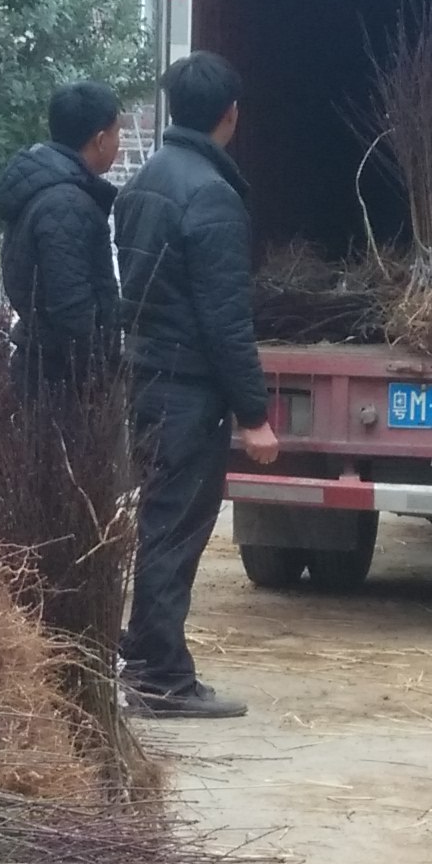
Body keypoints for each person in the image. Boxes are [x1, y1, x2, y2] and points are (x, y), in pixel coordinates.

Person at [110, 52, 284, 719]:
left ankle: (148, 654)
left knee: (159, 522)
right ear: (230, 116)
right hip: (188, 388)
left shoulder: (146, 181)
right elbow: (224, 319)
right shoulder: (211, 195)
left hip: (148, 375)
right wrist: (253, 413)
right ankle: (160, 675)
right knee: (175, 528)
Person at [0, 80, 123, 403]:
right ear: (100, 139)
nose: (119, 144)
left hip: (43, 367)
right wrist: (96, 376)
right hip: (60, 382)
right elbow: (71, 305)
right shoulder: (66, 204)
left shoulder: (47, 189)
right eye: (118, 133)